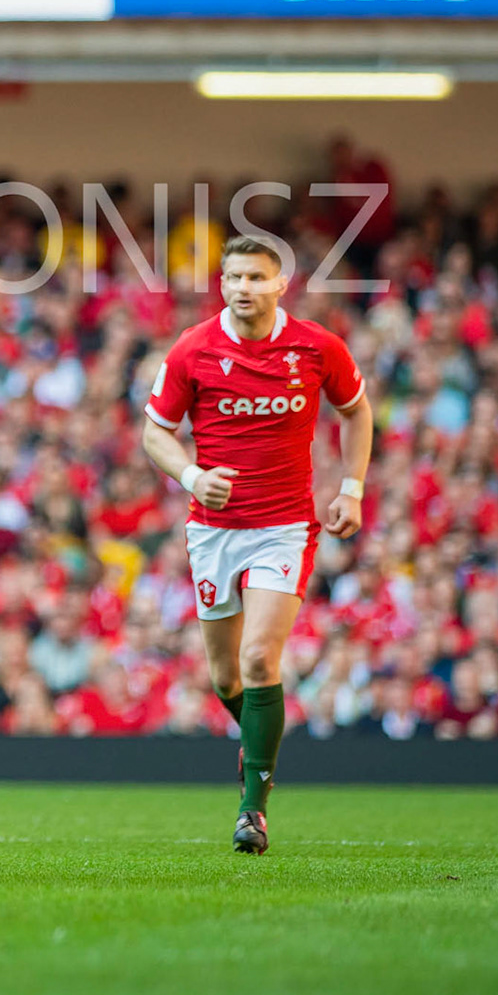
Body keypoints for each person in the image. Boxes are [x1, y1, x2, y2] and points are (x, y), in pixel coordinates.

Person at [141, 233, 372, 855]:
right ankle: (259, 741)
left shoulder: (317, 346)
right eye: (233, 277)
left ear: (278, 284)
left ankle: (253, 811)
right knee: (224, 677)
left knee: (258, 662)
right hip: (213, 531)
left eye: (255, 278)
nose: (243, 288)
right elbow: (155, 434)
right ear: (223, 284)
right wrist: (192, 475)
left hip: (283, 527)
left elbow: (356, 410)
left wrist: (351, 489)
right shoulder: (193, 350)